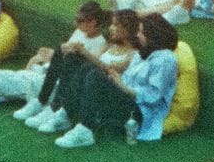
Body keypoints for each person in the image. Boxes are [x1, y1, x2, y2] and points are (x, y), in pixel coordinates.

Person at [52, 11, 180, 150]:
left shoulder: (166, 59)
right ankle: (65, 114)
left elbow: (153, 96)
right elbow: (126, 80)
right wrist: (116, 81)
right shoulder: (144, 53)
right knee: (88, 68)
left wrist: (122, 87)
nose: (138, 35)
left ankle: (85, 130)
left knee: (95, 75)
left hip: (139, 114)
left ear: (153, 35)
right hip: (126, 100)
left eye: (142, 32)